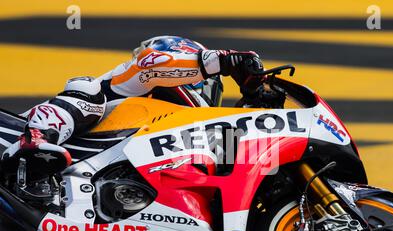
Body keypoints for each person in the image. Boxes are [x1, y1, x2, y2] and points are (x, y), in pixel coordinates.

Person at [2, 36, 264, 177]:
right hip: (16, 139)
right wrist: (219, 62)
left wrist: (258, 105)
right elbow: (152, 65)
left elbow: (232, 172)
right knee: (88, 90)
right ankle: (35, 139)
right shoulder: (129, 85)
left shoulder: (202, 131)